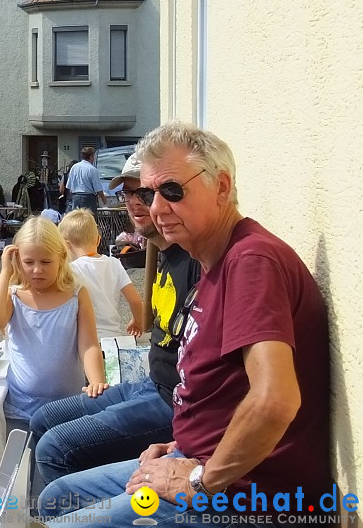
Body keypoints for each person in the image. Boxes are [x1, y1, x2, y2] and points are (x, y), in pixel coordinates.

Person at [39, 122, 331, 525]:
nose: (156, 208)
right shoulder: (213, 261)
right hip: (200, 462)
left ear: (222, 187)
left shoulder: (251, 262)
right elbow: (227, 390)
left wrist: (198, 480)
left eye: (172, 191)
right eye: (146, 193)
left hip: (252, 497)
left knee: (63, 516)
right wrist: (182, 444)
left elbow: (274, 400)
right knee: (59, 496)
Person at [31, 153, 200, 490]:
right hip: (150, 383)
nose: (136, 203)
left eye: (145, 194)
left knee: (53, 449)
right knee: (41, 419)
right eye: (128, 195)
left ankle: (75, 503)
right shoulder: (164, 254)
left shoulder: (195, 260)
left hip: (170, 402)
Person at [0, 216, 106, 432]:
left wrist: (97, 381)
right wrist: (5, 273)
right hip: (20, 410)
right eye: (28, 262)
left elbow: (88, 345)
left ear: (62, 257)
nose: (37, 270)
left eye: (46, 262)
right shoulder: (13, 296)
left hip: (67, 409)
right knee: (23, 464)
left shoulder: (76, 294)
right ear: (17, 260)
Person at [58, 209, 142, 339]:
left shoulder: (72, 269)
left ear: (66, 246)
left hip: (85, 338)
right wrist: (137, 321)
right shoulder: (114, 263)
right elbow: (135, 300)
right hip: (113, 337)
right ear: (98, 240)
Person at [64, 147, 105, 213]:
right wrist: (104, 200)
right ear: (91, 157)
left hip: (75, 197)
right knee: (88, 220)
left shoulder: (74, 167)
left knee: (76, 219)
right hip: (88, 198)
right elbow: (98, 189)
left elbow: (69, 186)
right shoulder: (92, 169)